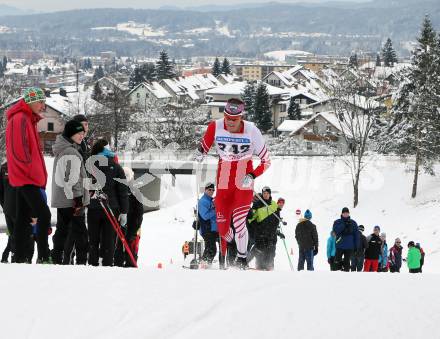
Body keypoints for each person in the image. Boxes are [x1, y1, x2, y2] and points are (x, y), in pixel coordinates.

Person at [194, 98, 271, 269]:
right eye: (227, 117)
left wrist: (252, 175)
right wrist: (200, 153)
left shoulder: (252, 130)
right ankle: (235, 246)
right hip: (223, 181)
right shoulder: (215, 126)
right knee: (222, 230)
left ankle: (241, 259)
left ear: (241, 117)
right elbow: (203, 147)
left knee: (238, 222)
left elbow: (266, 161)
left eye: (234, 119)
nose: (229, 122)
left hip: (243, 180)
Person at [5, 87, 51, 263]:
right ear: (31, 101)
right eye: (40, 102)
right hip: (27, 178)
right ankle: (44, 256)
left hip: (26, 178)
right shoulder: (20, 119)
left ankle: (19, 256)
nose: (42, 106)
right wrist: (30, 173)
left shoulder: (26, 119)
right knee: (44, 215)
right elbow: (20, 153)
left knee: (23, 218)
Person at [51, 120, 90, 265]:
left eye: (82, 133)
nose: (81, 136)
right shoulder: (71, 152)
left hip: (63, 199)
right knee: (81, 234)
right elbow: (72, 180)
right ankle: (80, 263)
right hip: (72, 200)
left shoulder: (63, 149)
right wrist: (79, 199)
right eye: (78, 133)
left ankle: (57, 259)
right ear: (70, 134)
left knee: (63, 231)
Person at [87, 139, 128, 266]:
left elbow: (84, 187)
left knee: (93, 240)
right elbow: (122, 191)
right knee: (109, 240)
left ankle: (93, 263)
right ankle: (107, 264)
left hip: (94, 207)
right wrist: (124, 212)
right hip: (111, 208)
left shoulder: (89, 165)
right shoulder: (116, 167)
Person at [247, 187, 284, 270]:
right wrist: (256, 226)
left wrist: (276, 230)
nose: (265, 195)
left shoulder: (274, 204)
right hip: (261, 234)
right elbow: (251, 219)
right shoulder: (257, 204)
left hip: (271, 235)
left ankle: (269, 267)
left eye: (267, 193)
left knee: (271, 253)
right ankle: (258, 266)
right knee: (259, 251)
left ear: (270, 194)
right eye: (264, 193)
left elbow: (277, 218)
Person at [114, 167, 144, 267]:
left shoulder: (135, 191)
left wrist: (134, 229)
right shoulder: (116, 189)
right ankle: (117, 264)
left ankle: (131, 265)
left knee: (131, 247)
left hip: (132, 225)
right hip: (119, 225)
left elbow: (139, 212)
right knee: (118, 247)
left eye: (127, 176)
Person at [196, 182, 218, 266]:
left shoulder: (211, 200)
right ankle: (204, 263)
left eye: (213, 190)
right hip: (206, 228)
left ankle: (205, 263)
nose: (211, 191)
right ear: (205, 190)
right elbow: (205, 216)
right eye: (209, 189)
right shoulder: (203, 201)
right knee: (211, 248)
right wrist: (215, 210)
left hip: (213, 229)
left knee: (210, 248)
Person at [332, 207, 359, 271]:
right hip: (339, 245)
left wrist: (356, 247)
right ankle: (335, 275)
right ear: (342, 213)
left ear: (349, 213)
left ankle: (346, 277)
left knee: (347, 262)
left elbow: (356, 235)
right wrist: (344, 224)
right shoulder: (337, 222)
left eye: (347, 213)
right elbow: (336, 230)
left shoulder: (353, 223)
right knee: (337, 261)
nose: (345, 214)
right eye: (344, 213)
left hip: (349, 247)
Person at [0, 161, 16, 263]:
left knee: (12, 234)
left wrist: (4, 205)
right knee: (17, 234)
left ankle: (6, 256)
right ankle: (15, 258)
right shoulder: (19, 165)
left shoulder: (3, 167)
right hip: (18, 207)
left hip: (7, 207)